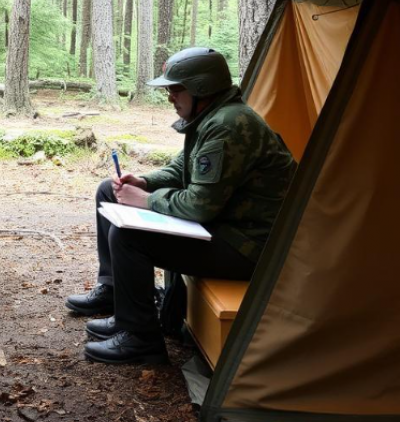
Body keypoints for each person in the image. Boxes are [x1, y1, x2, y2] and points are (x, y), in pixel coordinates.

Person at [65, 47, 296, 365]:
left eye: (175, 88)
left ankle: (141, 339)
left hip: (250, 246)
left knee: (130, 236)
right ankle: (115, 292)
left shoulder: (227, 125)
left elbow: (200, 205)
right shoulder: (212, 116)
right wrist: (144, 182)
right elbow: (181, 169)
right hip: (228, 229)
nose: (169, 96)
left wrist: (146, 200)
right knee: (109, 190)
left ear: (200, 88)